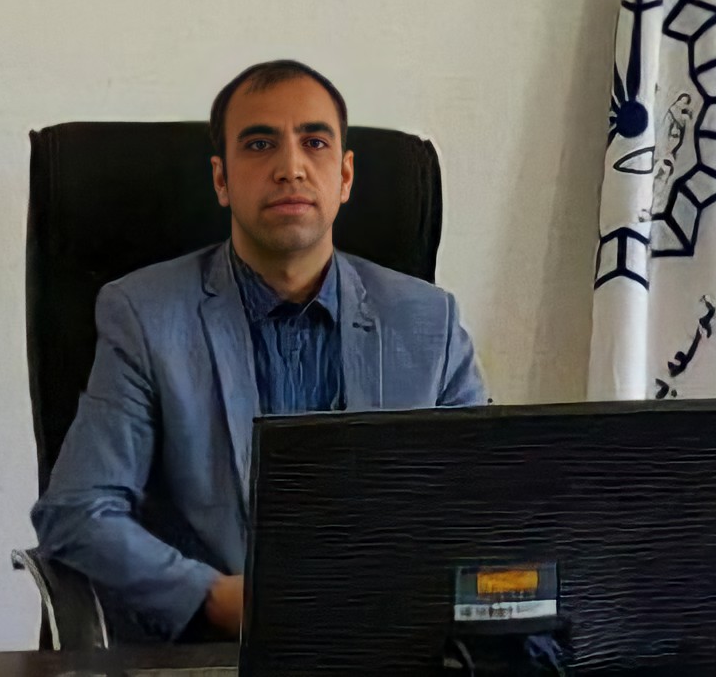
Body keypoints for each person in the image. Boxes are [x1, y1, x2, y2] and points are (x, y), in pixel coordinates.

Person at [31, 60, 487, 641]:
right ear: (221, 180)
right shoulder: (145, 315)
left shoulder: (429, 322)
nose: (290, 167)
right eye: (259, 144)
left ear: (345, 176)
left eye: (314, 142)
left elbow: (483, 503)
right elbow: (77, 512)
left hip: (386, 641)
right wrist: (210, 596)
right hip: (216, 649)